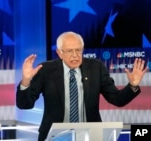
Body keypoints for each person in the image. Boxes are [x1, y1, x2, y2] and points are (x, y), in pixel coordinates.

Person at [16, 31, 148, 141]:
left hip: (90, 135)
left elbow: (117, 99)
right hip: (55, 136)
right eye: (69, 51)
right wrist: (26, 81)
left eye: (78, 50)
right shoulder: (46, 70)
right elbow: (25, 104)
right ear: (59, 53)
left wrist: (132, 85)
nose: (75, 55)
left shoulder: (96, 67)